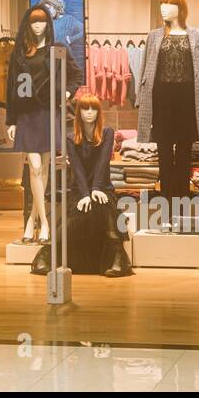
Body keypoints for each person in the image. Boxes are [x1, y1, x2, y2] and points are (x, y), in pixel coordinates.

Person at [66, 93, 132, 277]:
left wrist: (95, 189)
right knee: (73, 216)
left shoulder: (107, 133)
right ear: (79, 112)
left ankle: (119, 260)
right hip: (79, 190)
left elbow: (103, 163)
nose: (89, 113)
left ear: (98, 112)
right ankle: (53, 257)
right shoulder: (71, 138)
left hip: (102, 187)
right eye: (85, 108)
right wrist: (86, 193)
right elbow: (77, 169)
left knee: (105, 208)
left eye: (93, 108)